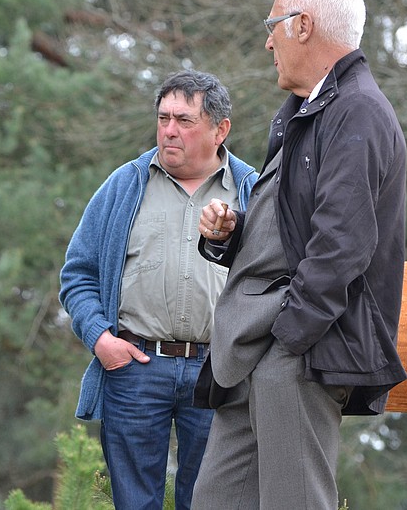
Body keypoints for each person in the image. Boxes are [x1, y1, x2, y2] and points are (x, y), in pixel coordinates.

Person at [190, 0, 407, 510]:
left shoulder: (355, 109)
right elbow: (296, 229)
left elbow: (342, 244)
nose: (268, 41)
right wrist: (234, 233)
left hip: (297, 351)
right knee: (215, 500)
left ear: (303, 25)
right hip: (253, 350)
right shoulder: (307, 114)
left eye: (274, 25)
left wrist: (290, 337)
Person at [59, 70, 258, 510]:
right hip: (134, 366)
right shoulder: (123, 185)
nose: (169, 130)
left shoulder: (253, 190)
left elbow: (274, 280)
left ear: (220, 129)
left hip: (219, 370)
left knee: (211, 501)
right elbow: (78, 274)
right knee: (133, 503)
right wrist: (99, 338)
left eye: (185, 120)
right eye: (164, 117)